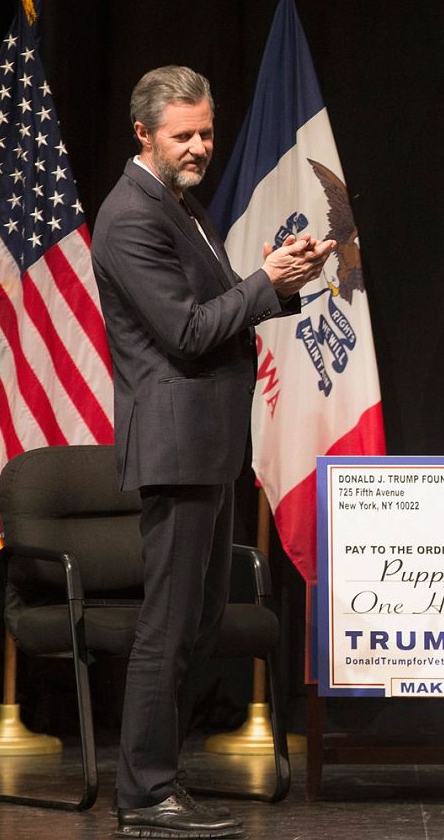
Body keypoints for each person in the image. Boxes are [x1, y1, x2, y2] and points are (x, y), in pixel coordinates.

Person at [92, 65, 333, 839]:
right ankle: (144, 793)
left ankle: (162, 777)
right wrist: (265, 280)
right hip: (175, 445)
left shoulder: (178, 204)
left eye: (205, 132)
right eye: (183, 136)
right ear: (143, 134)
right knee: (168, 625)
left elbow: (221, 307)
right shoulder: (131, 216)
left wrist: (283, 279)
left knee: (196, 625)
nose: (199, 147)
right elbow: (190, 330)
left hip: (208, 443)